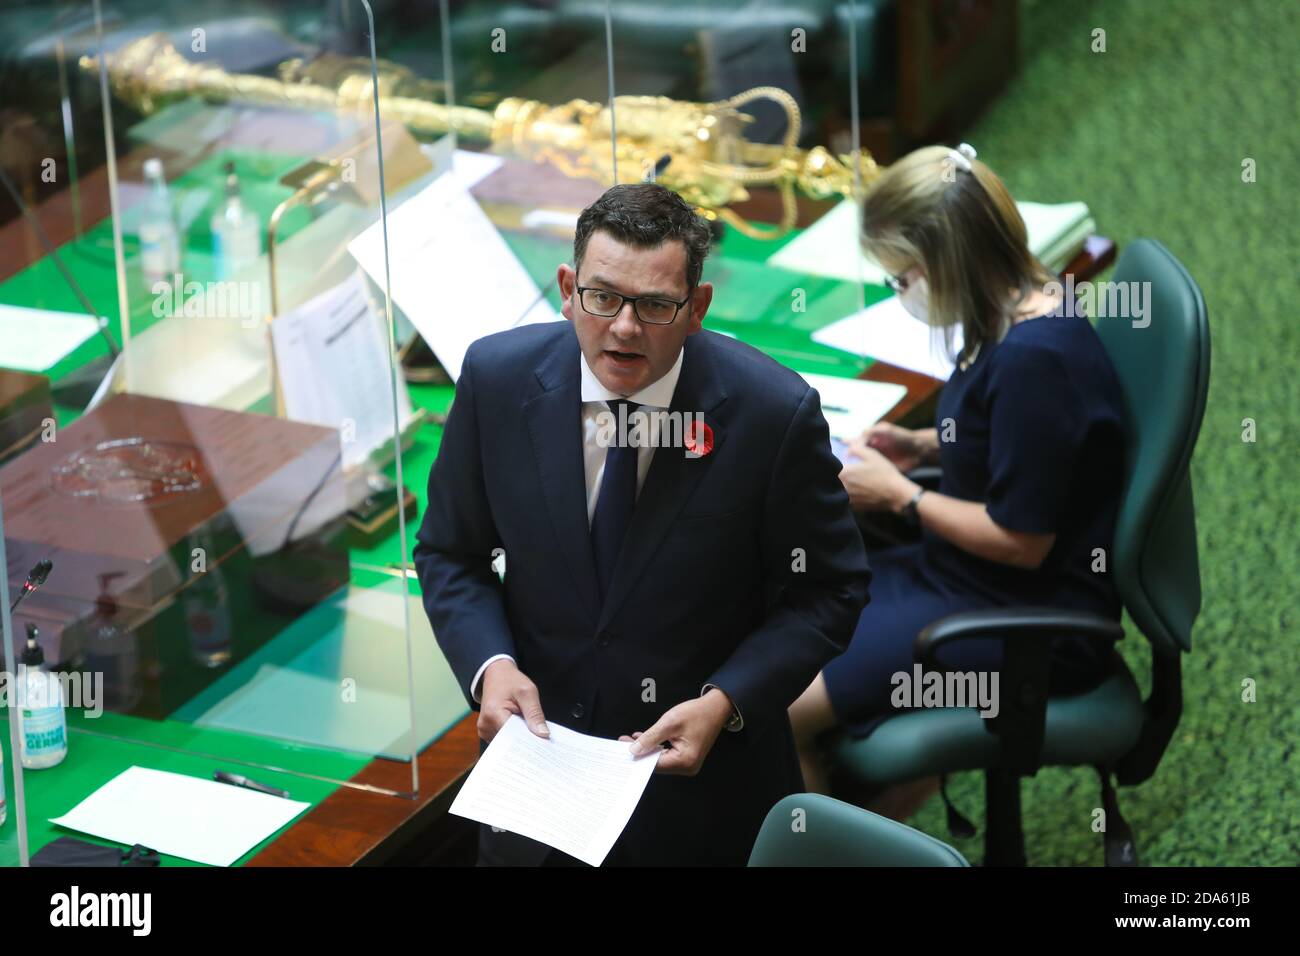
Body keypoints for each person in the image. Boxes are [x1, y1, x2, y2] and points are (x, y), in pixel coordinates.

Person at [413, 182, 871, 865]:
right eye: (603, 297)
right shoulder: (496, 379)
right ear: (568, 289)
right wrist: (490, 665)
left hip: (701, 801)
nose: (624, 327)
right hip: (536, 787)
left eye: (655, 305)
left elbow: (831, 589)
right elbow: (451, 553)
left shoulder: (772, 414)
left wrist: (726, 701)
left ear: (697, 308)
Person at [788, 144, 1127, 797]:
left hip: (1024, 614)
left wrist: (901, 498)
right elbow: (1034, 450)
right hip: (963, 576)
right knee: (788, 629)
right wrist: (923, 446)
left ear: (945, 264)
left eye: (901, 278)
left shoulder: (1036, 360)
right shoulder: (1016, 305)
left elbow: (1022, 543)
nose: (899, 293)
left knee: (776, 708)